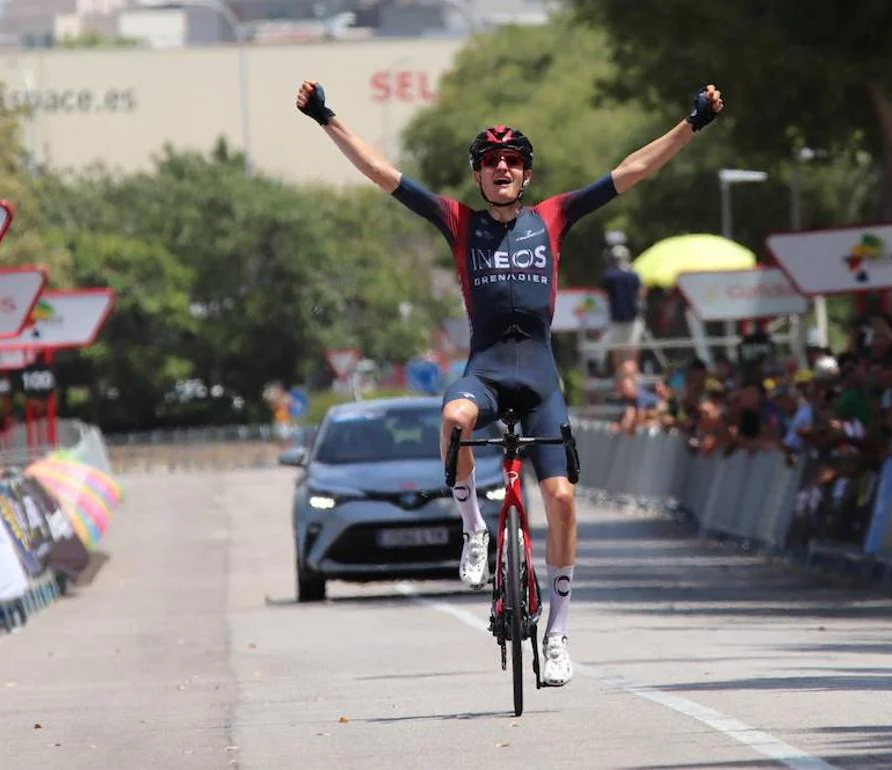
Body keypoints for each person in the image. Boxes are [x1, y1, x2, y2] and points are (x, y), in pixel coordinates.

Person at [296, 78, 724, 686]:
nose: (501, 167)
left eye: (512, 160)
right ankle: (473, 533)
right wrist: (325, 117)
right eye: (490, 161)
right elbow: (382, 172)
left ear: (525, 175)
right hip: (488, 373)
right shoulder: (457, 221)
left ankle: (559, 634)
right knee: (453, 421)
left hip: (542, 380)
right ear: (478, 175)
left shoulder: (553, 216)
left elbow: (631, 171)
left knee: (565, 500)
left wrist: (693, 122)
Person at [599, 243, 645, 373]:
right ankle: (631, 377)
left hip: (616, 319)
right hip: (633, 318)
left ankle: (621, 378)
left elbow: (604, 294)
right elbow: (640, 293)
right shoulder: (633, 275)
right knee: (632, 352)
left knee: (618, 352)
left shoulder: (609, 276)